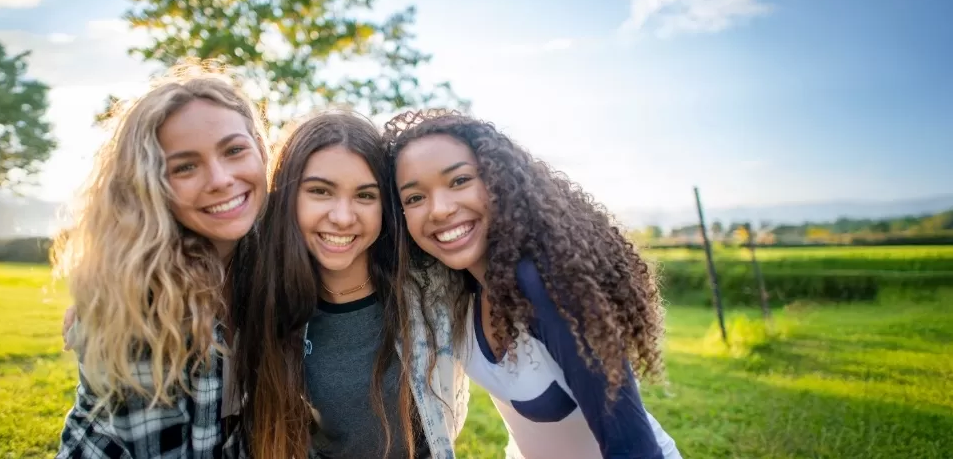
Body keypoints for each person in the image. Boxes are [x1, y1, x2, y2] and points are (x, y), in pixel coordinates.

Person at [385, 110, 682, 459]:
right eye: (415, 198)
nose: (439, 210)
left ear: (499, 182)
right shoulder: (453, 288)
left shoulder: (548, 286)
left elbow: (634, 448)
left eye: (459, 180)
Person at [52, 63, 269, 458]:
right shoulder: (142, 301)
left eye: (234, 150)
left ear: (260, 148)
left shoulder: (266, 254)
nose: (220, 179)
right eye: (185, 167)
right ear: (151, 184)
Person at [232, 110, 469, 459]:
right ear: (287, 197)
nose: (343, 217)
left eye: (365, 196)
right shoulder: (268, 297)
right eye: (320, 191)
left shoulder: (432, 285)